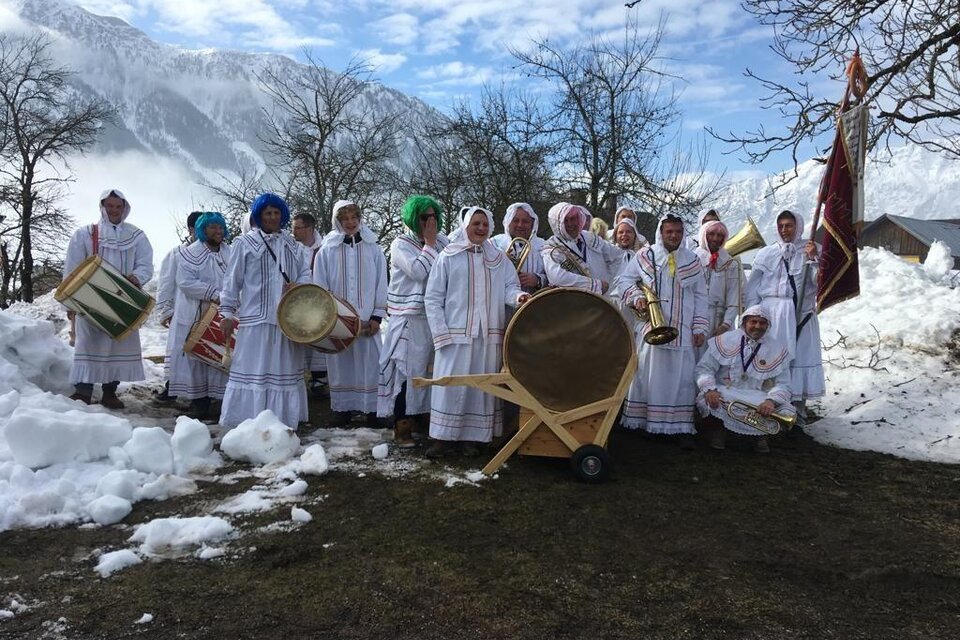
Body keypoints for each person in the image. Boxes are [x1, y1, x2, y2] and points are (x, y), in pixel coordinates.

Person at [424, 206, 528, 457]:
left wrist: (519, 297)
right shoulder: (448, 256)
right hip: (455, 335)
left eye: (484, 224)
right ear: (466, 226)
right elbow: (433, 297)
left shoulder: (499, 259)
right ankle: (442, 438)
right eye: (476, 224)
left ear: (491, 227)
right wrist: (440, 333)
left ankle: (472, 438)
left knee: (480, 387)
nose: (480, 228)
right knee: (450, 385)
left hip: (487, 335)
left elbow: (509, 287)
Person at [614, 213, 708, 448]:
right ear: (661, 232)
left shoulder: (693, 260)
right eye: (669, 232)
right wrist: (636, 298)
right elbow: (624, 281)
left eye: (678, 232)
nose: (674, 236)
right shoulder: (644, 256)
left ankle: (679, 428)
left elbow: (700, 295)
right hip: (651, 326)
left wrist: (699, 326)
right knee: (648, 373)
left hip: (682, 327)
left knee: (682, 378)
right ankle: (646, 423)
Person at [218, 193, 311, 430]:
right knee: (254, 370)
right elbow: (232, 281)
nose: (272, 217)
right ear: (259, 215)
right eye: (268, 213)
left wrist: (298, 285)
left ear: (283, 216)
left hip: (286, 321)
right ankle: (247, 421)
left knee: (282, 370)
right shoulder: (244, 243)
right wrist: (227, 313)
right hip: (254, 319)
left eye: (277, 213)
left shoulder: (293, 246)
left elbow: (305, 274)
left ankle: (281, 422)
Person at [63, 189, 154, 409]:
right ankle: (83, 391)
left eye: (118, 207)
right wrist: (70, 301)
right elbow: (72, 268)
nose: (114, 211)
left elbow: (145, 263)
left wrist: (137, 277)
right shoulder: (85, 234)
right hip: (90, 300)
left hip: (124, 300)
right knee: (88, 343)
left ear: (125, 208)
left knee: (117, 345)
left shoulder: (136, 235)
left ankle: (110, 392)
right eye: (110, 206)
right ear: (102, 207)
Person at [378, 195, 450, 448]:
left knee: (432, 371)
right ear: (413, 218)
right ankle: (402, 426)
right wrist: (429, 244)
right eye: (423, 217)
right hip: (408, 317)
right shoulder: (401, 243)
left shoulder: (444, 241)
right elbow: (418, 271)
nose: (429, 222)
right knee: (407, 372)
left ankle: (426, 419)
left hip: (434, 317)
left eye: (433, 216)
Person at [744, 210, 825, 423]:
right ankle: (767, 402)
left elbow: (820, 285)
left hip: (799, 312)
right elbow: (753, 286)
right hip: (770, 313)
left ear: (798, 226)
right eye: (781, 226)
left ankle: (796, 407)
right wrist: (752, 314)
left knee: (798, 357)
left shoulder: (811, 249)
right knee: (771, 357)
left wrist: (813, 259)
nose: (784, 230)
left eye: (789, 225)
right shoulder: (767, 253)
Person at [313, 200, 388, 427]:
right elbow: (320, 286)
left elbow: (380, 283)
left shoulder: (373, 248)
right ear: (337, 221)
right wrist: (329, 319)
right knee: (341, 364)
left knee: (371, 363)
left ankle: (373, 410)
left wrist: (376, 315)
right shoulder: (327, 251)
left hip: (367, 319)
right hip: (338, 320)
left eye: (354, 217)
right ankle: (343, 409)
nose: (350, 222)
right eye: (345, 218)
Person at [695, 305, 794, 453]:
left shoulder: (777, 349)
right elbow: (704, 368)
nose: (757, 326)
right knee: (710, 399)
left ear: (768, 325)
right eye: (753, 322)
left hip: (757, 396)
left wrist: (771, 401)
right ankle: (719, 431)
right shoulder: (725, 340)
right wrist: (710, 390)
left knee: (786, 411)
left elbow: (784, 384)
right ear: (744, 322)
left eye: (762, 323)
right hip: (725, 391)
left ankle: (760, 436)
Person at [169, 213, 231, 420]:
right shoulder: (189, 254)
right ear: (203, 229)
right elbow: (184, 282)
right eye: (213, 227)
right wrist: (214, 294)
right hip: (196, 312)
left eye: (221, 227)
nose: (218, 231)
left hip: (223, 312)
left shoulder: (230, 252)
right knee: (197, 358)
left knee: (221, 354)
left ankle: (222, 402)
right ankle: (199, 403)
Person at [155, 211, 202, 403]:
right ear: (191, 229)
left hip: (208, 310)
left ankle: (202, 393)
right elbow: (166, 282)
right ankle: (172, 388)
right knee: (180, 350)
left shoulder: (217, 252)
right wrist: (166, 310)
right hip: (183, 309)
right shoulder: (177, 253)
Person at [693, 220, 742, 359]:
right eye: (711, 234)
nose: (715, 239)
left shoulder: (730, 262)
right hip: (696, 317)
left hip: (720, 318)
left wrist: (726, 324)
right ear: (704, 235)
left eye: (720, 235)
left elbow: (734, 296)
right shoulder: (692, 259)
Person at [292, 213, 329, 398]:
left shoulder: (324, 249)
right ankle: (299, 380)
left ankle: (319, 382)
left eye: (297, 227)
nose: (294, 231)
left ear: (309, 229)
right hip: (297, 303)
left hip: (319, 302)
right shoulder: (291, 248)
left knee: (319, 341)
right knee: (299, 342)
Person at [542, 203, 613, 293]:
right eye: (565, 220)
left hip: (599, 298)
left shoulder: (589, 237)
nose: (570, 224)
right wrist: (594, 285)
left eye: (573, 219)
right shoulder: (551, 246)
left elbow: (616, 257)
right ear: (557, 224)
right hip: (571, 300)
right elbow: (557, 277)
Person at [491, 202, 546, 295]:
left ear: (533, 224)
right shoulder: (494, 243)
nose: (520, 225)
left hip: (535, 305)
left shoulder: (543, 246)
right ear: (508, 222)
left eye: (525, 221)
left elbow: (555, 279)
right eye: (515, 220)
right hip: (501, 304)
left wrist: (538, 280)